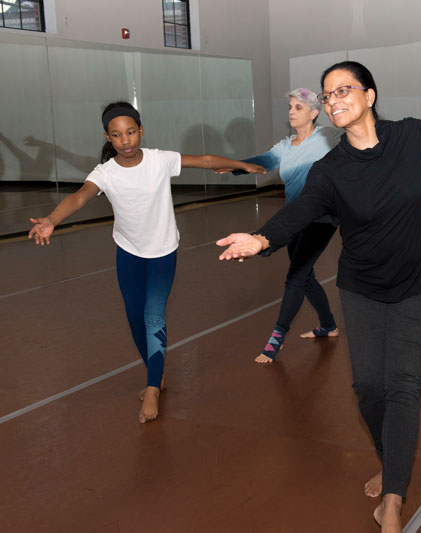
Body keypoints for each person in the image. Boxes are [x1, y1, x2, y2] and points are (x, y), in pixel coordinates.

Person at [216, 61, 421, 533]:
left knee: (403, 387)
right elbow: (300, 211)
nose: (333, 100)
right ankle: (392, 461)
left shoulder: (412, 137)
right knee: (368, 387)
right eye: (327, 96)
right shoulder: (332, 168)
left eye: (343, 90)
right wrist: (264, 239)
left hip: (418, 284)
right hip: (362, 287)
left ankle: (393, 498)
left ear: (369, 95)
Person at [28, 102, 266, 424]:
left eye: (130, 132)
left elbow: (205, 160)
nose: (125, 140)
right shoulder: (106, 173)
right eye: (117, 135)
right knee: (134, 317)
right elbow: (80, 196)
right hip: (128, 252)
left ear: (141, 130)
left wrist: (242, 165)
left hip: (162, 252)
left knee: (154, 315)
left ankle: (153, 385)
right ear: (108, 138)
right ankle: (157, 373)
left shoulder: (159, 160)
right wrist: (52, 219)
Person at [225, 88, 343, 363]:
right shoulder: (285, 145)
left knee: (296, 276)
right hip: (293, 219)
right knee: (305, 274)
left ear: (314, 114)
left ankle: (276, 338)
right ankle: (328, 325)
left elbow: (359, 133)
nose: (291, 111)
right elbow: (262, 162)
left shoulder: (329, 137)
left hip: (322, 217)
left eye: (298, 108)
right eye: (290, 107)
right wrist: (232, 165)